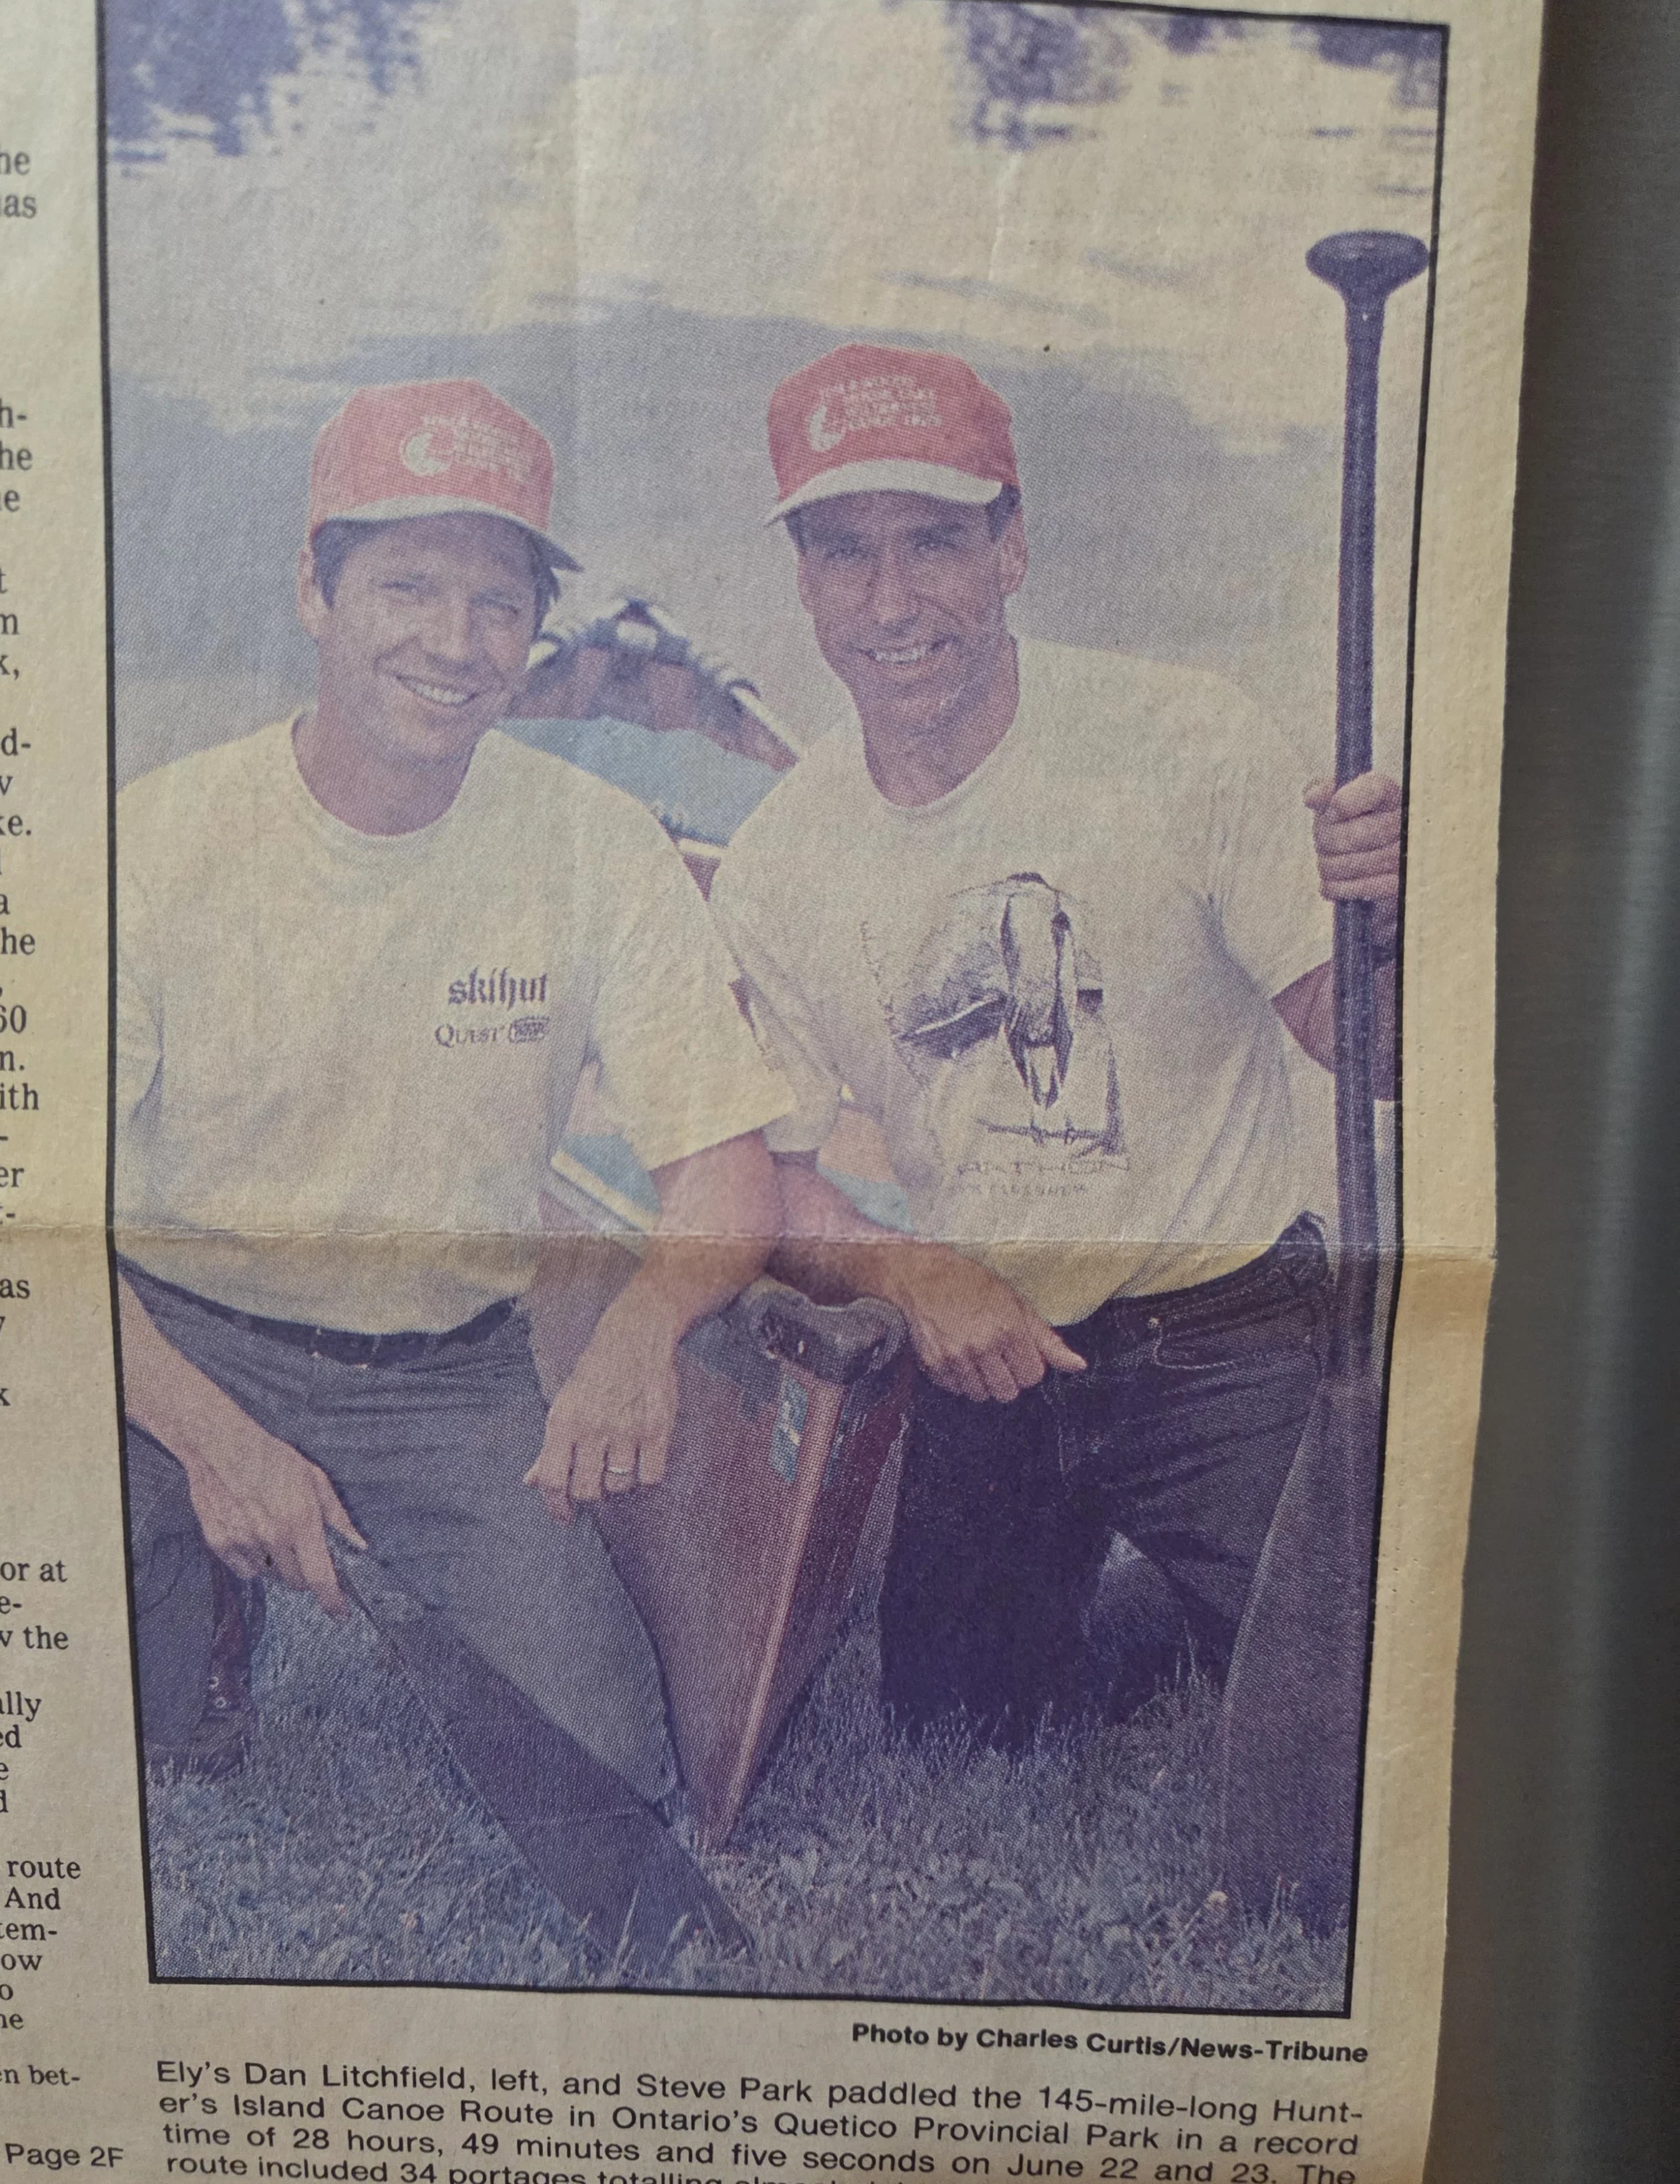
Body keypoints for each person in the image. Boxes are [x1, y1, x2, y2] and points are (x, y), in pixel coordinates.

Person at [116, 377, 786, 1959]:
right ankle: (194, 1590)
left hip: (440, 1370)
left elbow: (729, 1177)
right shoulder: (161, 839)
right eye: (406, 586)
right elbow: (15, 1236)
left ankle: (326, 1535)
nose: (453, 637)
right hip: (172, 1333)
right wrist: (219, 1443)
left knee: (606, 1759)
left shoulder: (594, 839)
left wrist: (637, 1330)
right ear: (314, 590)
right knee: (134, 1725)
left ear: (534, 633)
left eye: (498, 601)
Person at [710, 342, 1401, 1744]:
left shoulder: (1184, 738)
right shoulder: (776, 861)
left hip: (1225, 1327)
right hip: (993, 1349)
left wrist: (1387, 923)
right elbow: (761, 1172)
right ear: (801, 581)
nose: (890, 602)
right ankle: (1134, 1601)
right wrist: (917, 1274)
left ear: (1011, 546)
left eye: (934, 544)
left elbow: (1369, 1052)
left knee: (1353, 1722)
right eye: (843, 554)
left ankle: (1217, 1574)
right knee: (946, 1729)